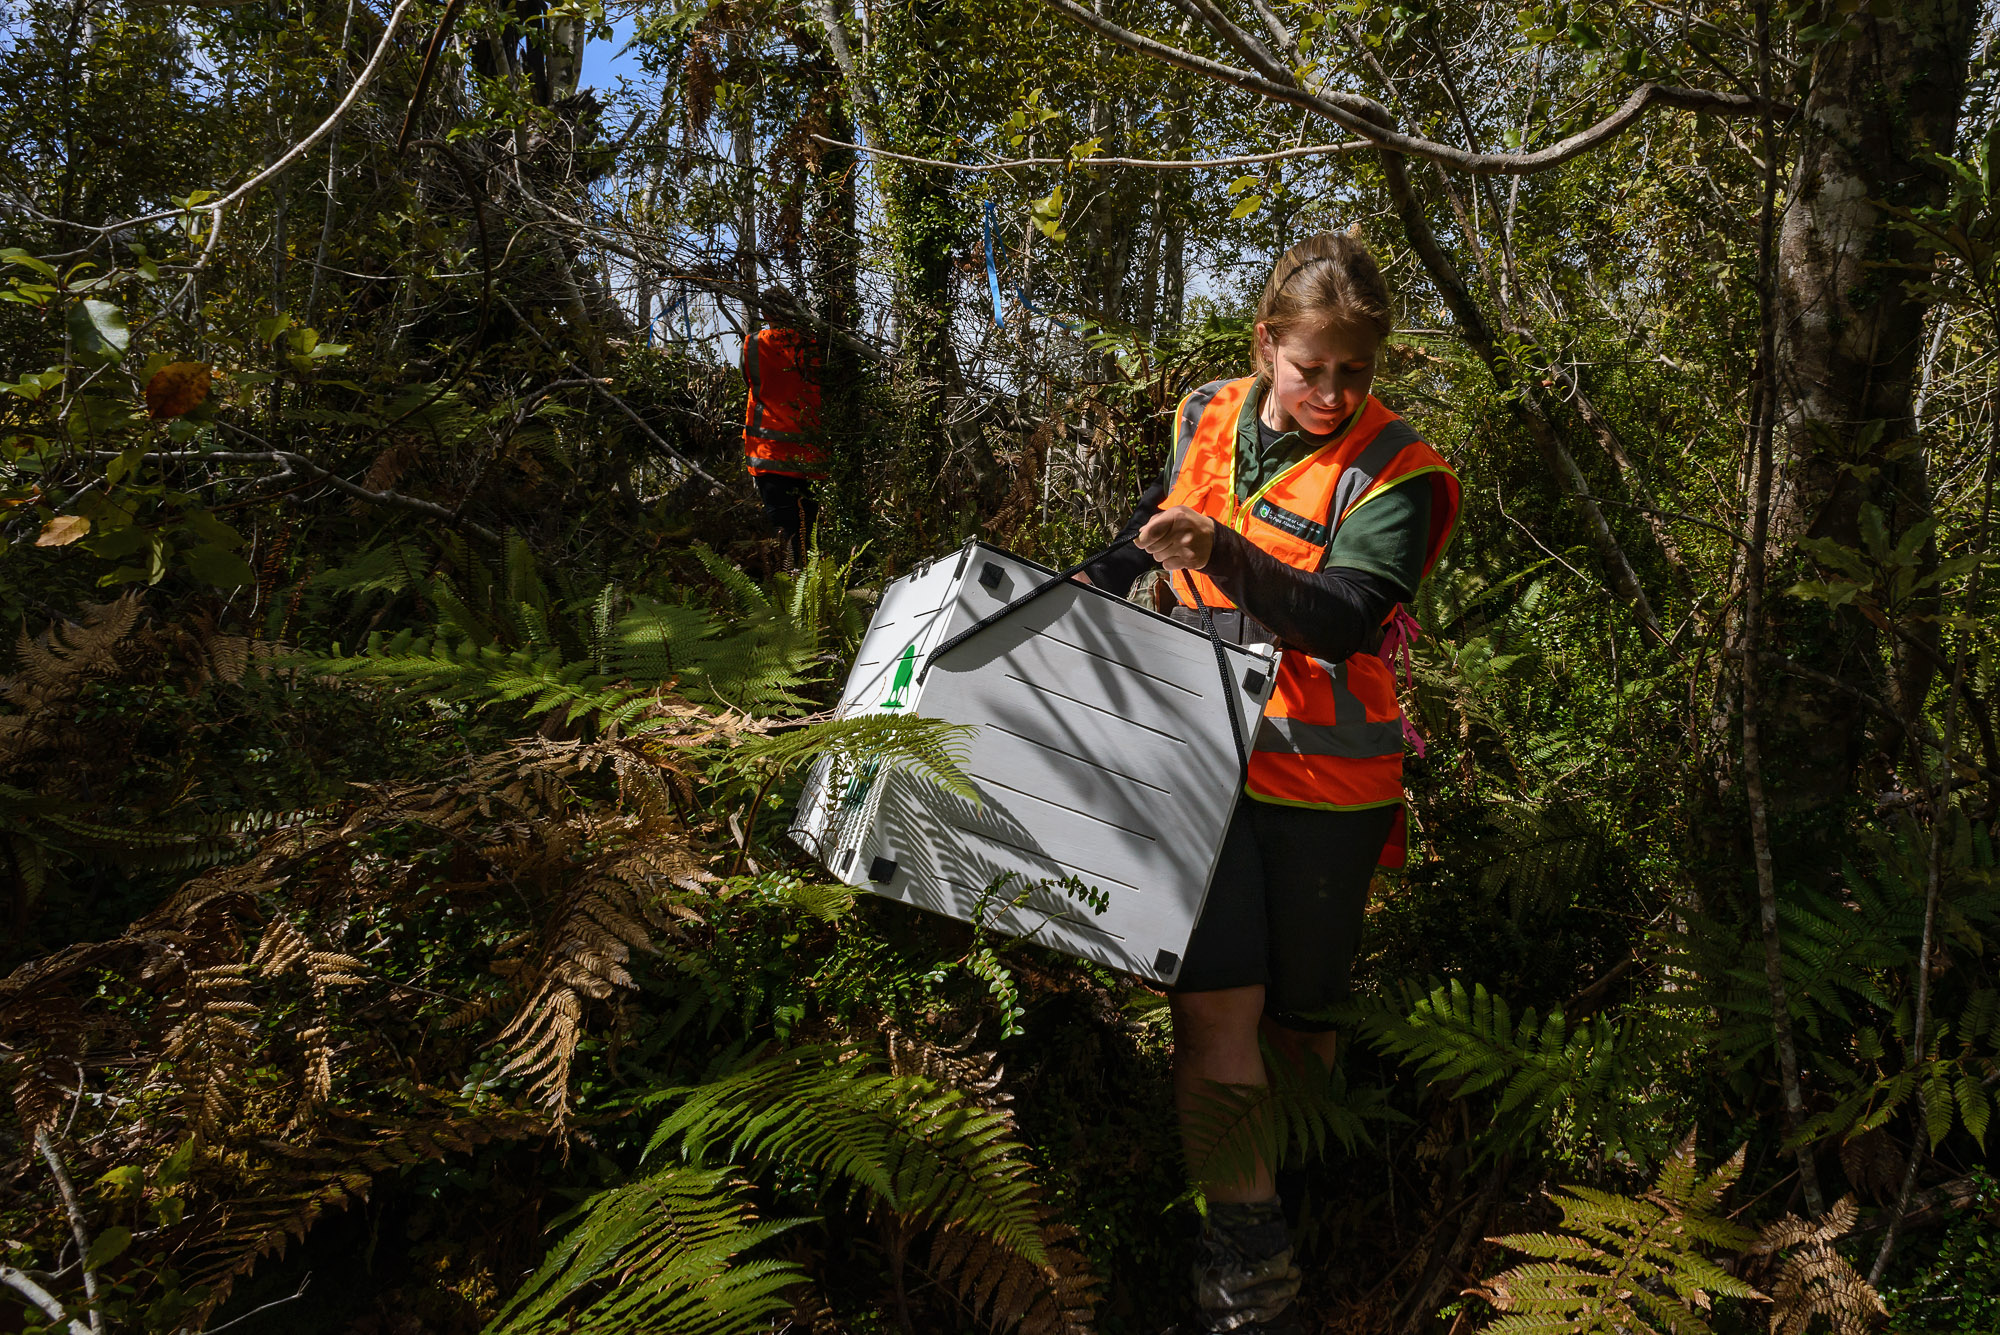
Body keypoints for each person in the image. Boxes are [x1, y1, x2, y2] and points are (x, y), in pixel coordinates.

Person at [1079, 230, 1460, 1334]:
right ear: (1264, 345)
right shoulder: (1208, 408)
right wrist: (1091, 577)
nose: (1332, 393)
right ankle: (1245, 1275)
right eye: (1310, 369)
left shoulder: (1401, 473)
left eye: (1354, 371)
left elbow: (1342, 620)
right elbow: (1162, 527)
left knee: (1298, 1023)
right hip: (1195, 758)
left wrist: (1227, 554)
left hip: (1322, 787)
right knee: (1213, 1006)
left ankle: (1315, 1207)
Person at [741, 286, 826, 570]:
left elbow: (749, 380)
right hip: (810, 457)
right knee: (811, 533)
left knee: (784, 535)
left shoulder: (752, 344)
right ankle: (812, 593)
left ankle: (793, 594)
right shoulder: (814, 344)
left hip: (769, 455)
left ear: (765, 313)